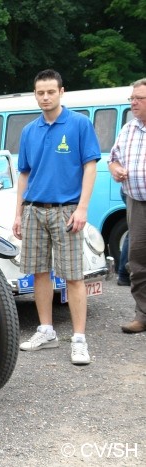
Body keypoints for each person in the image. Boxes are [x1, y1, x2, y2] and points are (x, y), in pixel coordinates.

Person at [12, 69, 101, 365]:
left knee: (74, 276)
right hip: (34, 210)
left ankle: (78, 339)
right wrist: (18, 212)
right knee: (38, 272)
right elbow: (24, 173)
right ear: (35, 94)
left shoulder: (79, 124)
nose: (45, 97)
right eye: (40, 93)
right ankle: (46, 330)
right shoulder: (29, 131)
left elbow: (90, 166)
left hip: (67, 210)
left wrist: (83, 208)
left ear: (62, 92)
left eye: (51, 91)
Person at [108, 77, 146, 333]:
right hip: (136, 202)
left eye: (139, 98)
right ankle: (142, 315)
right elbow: (113, 159)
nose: (133, 102)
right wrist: (116, 169)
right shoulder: (128, 129)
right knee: (137, 260)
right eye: (131, 98)